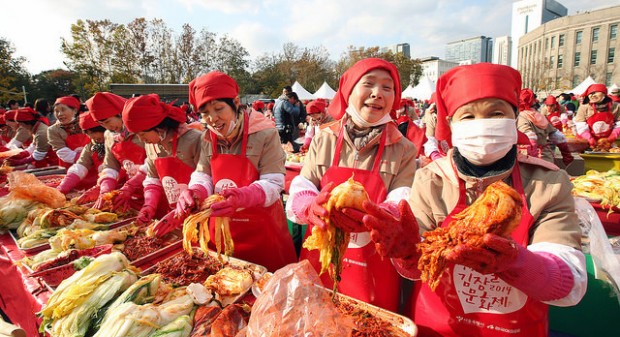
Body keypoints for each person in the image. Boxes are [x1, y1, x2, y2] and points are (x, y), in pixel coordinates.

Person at [363, 63, 587, 336]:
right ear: (451, 124)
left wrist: (516, 262)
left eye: (496, 113)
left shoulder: (548, 184)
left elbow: (568, 285)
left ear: (514, 117)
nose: (482, 124)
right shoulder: (431, 179)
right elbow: (417, 268)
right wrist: (407, 253)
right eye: (468, 116)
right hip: (436, 326)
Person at [286, 58, 417, 312]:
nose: (378, 93)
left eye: (387, 88)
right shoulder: (324, 137)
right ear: (349, 91)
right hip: (321, 261)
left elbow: (402, 199)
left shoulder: (404, 149)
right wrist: (308, 205)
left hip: (374, 269)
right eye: (368, 84)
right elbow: (304, 182)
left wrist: (381, 215)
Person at [164, 71, 296, 272]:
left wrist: (243, 196)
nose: (213, 118)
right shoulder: (207, 136)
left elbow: (274, 182)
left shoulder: (265, 133)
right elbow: (203, 174)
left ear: (235, 102)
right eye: (205, 113)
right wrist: (196, 191)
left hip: (262, 231)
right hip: (221, 231)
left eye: (218, 109)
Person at [119, 93, 202, 225]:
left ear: (158, 127)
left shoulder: (194, 139)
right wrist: (149, 205)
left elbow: (205, 179)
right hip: (172, 213)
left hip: (198, 213)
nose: (141, 140)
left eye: (142, 134)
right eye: (137, 135)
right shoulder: (151, 145)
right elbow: (153, 178)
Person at [85, 92, 147, 210]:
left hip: (154, 190)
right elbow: (111, 165)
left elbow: (154, 163)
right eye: (101, 124)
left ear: (119, 113)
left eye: (108, 121)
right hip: (131, 193)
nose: (107, 127)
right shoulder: (109, 135)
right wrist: (105, 190)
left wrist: (131, 186)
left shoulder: (144, 130)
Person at [517, 89, 573, 166]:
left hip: (526, 159)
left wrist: (533, 158)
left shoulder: (521, 116)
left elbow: (530, 137)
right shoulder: (539, 115)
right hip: (546, 157)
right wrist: (566, 154)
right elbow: (557, 136)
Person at [56, 112, 107, 194]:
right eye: (87, 133)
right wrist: (63, 187)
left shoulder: (118, 142)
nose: (91, 137)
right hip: (104, 189)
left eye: (93, 132)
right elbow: (79, 167)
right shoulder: (91, 147)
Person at [47, 96, 91, 169]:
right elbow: (63, 152)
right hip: (70, 168)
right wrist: (86, 159)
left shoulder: (86, 123)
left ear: (75, 111)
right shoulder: (53, 130)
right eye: (56, 111)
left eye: (63, 110)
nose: (59, 114)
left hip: (93, 166)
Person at [574, 83, 620, 148]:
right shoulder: (584, 107)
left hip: (607, 142)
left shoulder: (616, 106)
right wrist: (590, 139)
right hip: (585, 142)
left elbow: (619, 124)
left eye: (595, 92)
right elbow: (581, 126)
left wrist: (611, 138)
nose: (592, 95)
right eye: (590, 94)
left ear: (604, 94)